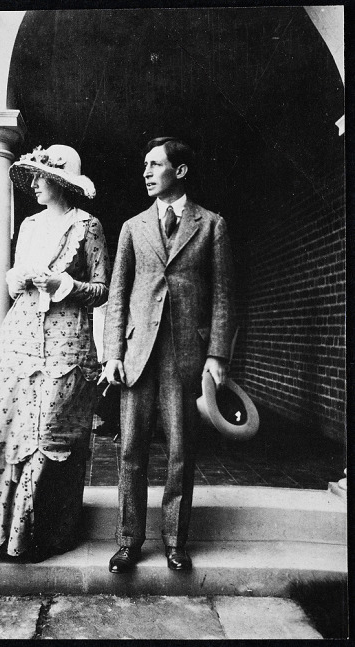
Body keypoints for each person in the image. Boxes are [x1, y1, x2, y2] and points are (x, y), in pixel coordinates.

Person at [0, 145, 110, 563]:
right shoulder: (29, 225)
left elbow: (102, 289)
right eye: (34, 177)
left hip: (65, 342)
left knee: (47, 433)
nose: (35, 185)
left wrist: (65, 284)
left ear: (60, 182)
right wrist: (20, 278)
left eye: (41, 177)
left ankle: (36, 538)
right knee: (3, 424)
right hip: (22, 335)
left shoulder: (87, 226)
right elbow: (15, 282)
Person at [103, 136, 235, 573]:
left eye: (155, 164)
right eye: (144, 164)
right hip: (138, 353)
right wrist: (113, 352)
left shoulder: (211, 224)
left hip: (185, 355)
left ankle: (176, 542)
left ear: (179, 171)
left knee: (181, 450)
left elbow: (222, 294)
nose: (145, 172)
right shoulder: (132, 227)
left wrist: (216, 355)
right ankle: (128, 541)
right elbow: (117, 294)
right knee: (131, 450)